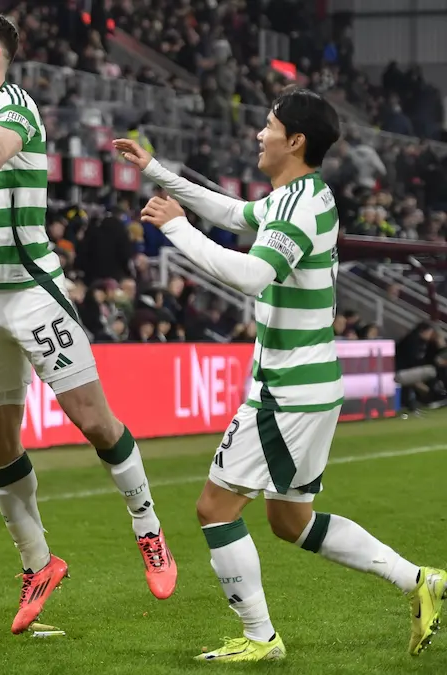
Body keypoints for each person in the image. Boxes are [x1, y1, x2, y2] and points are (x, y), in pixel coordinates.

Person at [114, 87, 447, 662]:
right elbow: (230, 212)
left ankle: (259, 638)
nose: (258, 134)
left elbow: (251, 275)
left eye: (268, 126)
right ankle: (419, 580)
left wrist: (175, 228)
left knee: (214, 509)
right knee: (292, 521)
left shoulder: (297, 206)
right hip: (308, 388)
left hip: (285, 394)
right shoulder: (295, 196)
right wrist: (159, 172)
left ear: (294, 140)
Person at [0, 11, 177, 629]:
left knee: (93, 421)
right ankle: (39, 564)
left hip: (32, 292)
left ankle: (149, 530)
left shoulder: (16, 108)